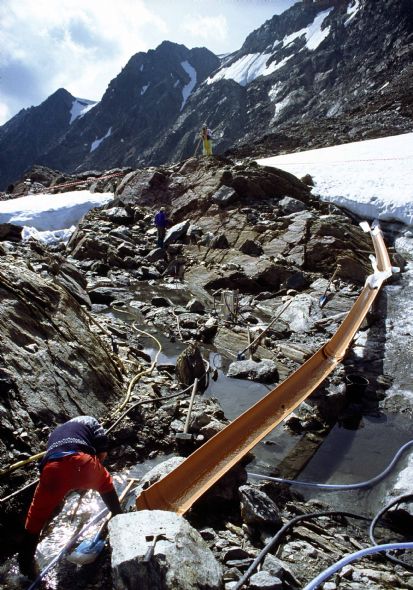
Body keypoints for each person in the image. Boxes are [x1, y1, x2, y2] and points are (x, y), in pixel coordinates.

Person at [18, 416, 122, 579]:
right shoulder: (91, 421)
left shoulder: (56, 432)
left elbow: (55, 465)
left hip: (51, 468)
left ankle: (24, 565)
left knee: (35, 517)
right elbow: (102, 451)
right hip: (80, 460)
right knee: (105, 483)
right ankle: (119, 517)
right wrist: (91, 478)